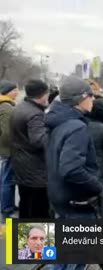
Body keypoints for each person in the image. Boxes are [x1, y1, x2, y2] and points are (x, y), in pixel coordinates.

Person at [46, 76, 103, 219]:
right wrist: (100, 188)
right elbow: (71, 169)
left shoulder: (58, 121)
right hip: (77, 204)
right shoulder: (77, 127)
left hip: (59, 197)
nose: (93, 99)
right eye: (90, 95)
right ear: (79, 99)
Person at [11, 80, 50, 218]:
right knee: (38, 210)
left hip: (22, 164)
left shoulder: (19, 107)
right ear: (42, 95)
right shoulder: (36, 114)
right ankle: (39, 239)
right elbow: (39, 141)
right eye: (47, 93)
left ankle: (19, 239)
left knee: (25, 206)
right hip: (36, 170)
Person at [0, 80, 19, 220]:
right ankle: (7, 210)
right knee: (7, 180)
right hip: (8, 150)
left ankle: (8, 206)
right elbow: (7, 132)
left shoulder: (6, 105)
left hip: (6, 149)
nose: (17, 92)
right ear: (7, 91)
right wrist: (14, 145)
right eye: (14, 90)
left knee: (7, 179)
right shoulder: (6, 107)